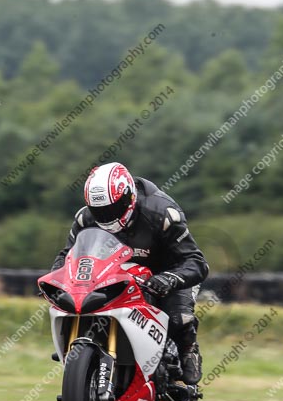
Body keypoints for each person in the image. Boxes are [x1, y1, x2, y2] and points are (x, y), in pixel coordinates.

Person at [51, 162, 209, 384]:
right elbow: (67, 256)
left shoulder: (162, 213)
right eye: (100, 211)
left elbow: (196, 262)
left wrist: (168, 279)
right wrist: (59, 281)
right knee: (76, 304)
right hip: (117, 273)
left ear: (129, 197)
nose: (106, 216)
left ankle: (188, 348)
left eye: (112, 208)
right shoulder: (85, 219)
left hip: (166, 270)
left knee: (177, 317)